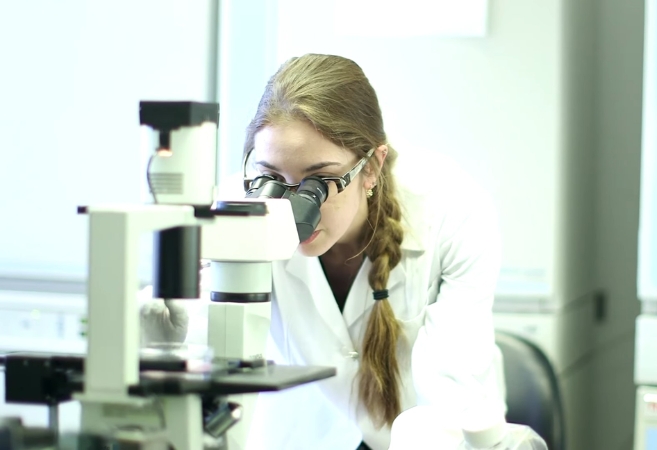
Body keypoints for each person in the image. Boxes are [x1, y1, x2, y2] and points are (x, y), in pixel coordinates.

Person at [142, 53, 506, 449]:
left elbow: (450, 387)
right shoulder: (239, 209)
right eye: (271, 178)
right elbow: (212, 344)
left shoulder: (451, 212)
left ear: (371, 167)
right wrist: (166, 340)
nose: (293, 208)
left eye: (320, 182)